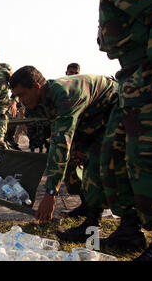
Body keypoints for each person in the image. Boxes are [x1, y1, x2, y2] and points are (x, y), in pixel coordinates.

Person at [58, 0, 152, 259]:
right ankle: (126, 230)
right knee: (109, 157)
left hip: (147, 79)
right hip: (132, 81)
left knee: (145, 161)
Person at [9, 66, 118, 243]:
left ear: (36, 87)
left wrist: (50, 194)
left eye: (22, 95)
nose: (20, 100)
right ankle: (88, 209)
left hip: (113, 106)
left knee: (97, 163)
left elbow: (60, 144)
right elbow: (58, 132)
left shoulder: (64, 96)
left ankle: (101, 226)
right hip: (90, 116)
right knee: (73, 163)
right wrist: (75, 147)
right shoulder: (42, 99)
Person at [63, 62, 86, 218]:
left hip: (84, 135)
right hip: (71, 136)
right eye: (70, 72)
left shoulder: (84, 90)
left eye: (76, 72)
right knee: (73, 173)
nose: (73, 75)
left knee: (86, 172)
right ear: (66, 73)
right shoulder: (63, 91)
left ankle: (90, 207)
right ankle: (85, 205)